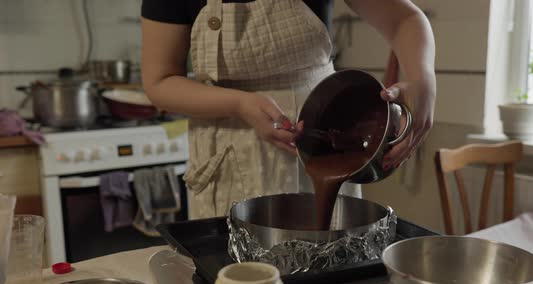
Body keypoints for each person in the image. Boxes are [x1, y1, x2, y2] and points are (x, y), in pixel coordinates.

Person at [141, 0, 436, 219]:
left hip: (322, 142)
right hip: (226, 154)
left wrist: (424, 79)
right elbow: (159, 82)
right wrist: (239, 103)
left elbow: (404, 21)